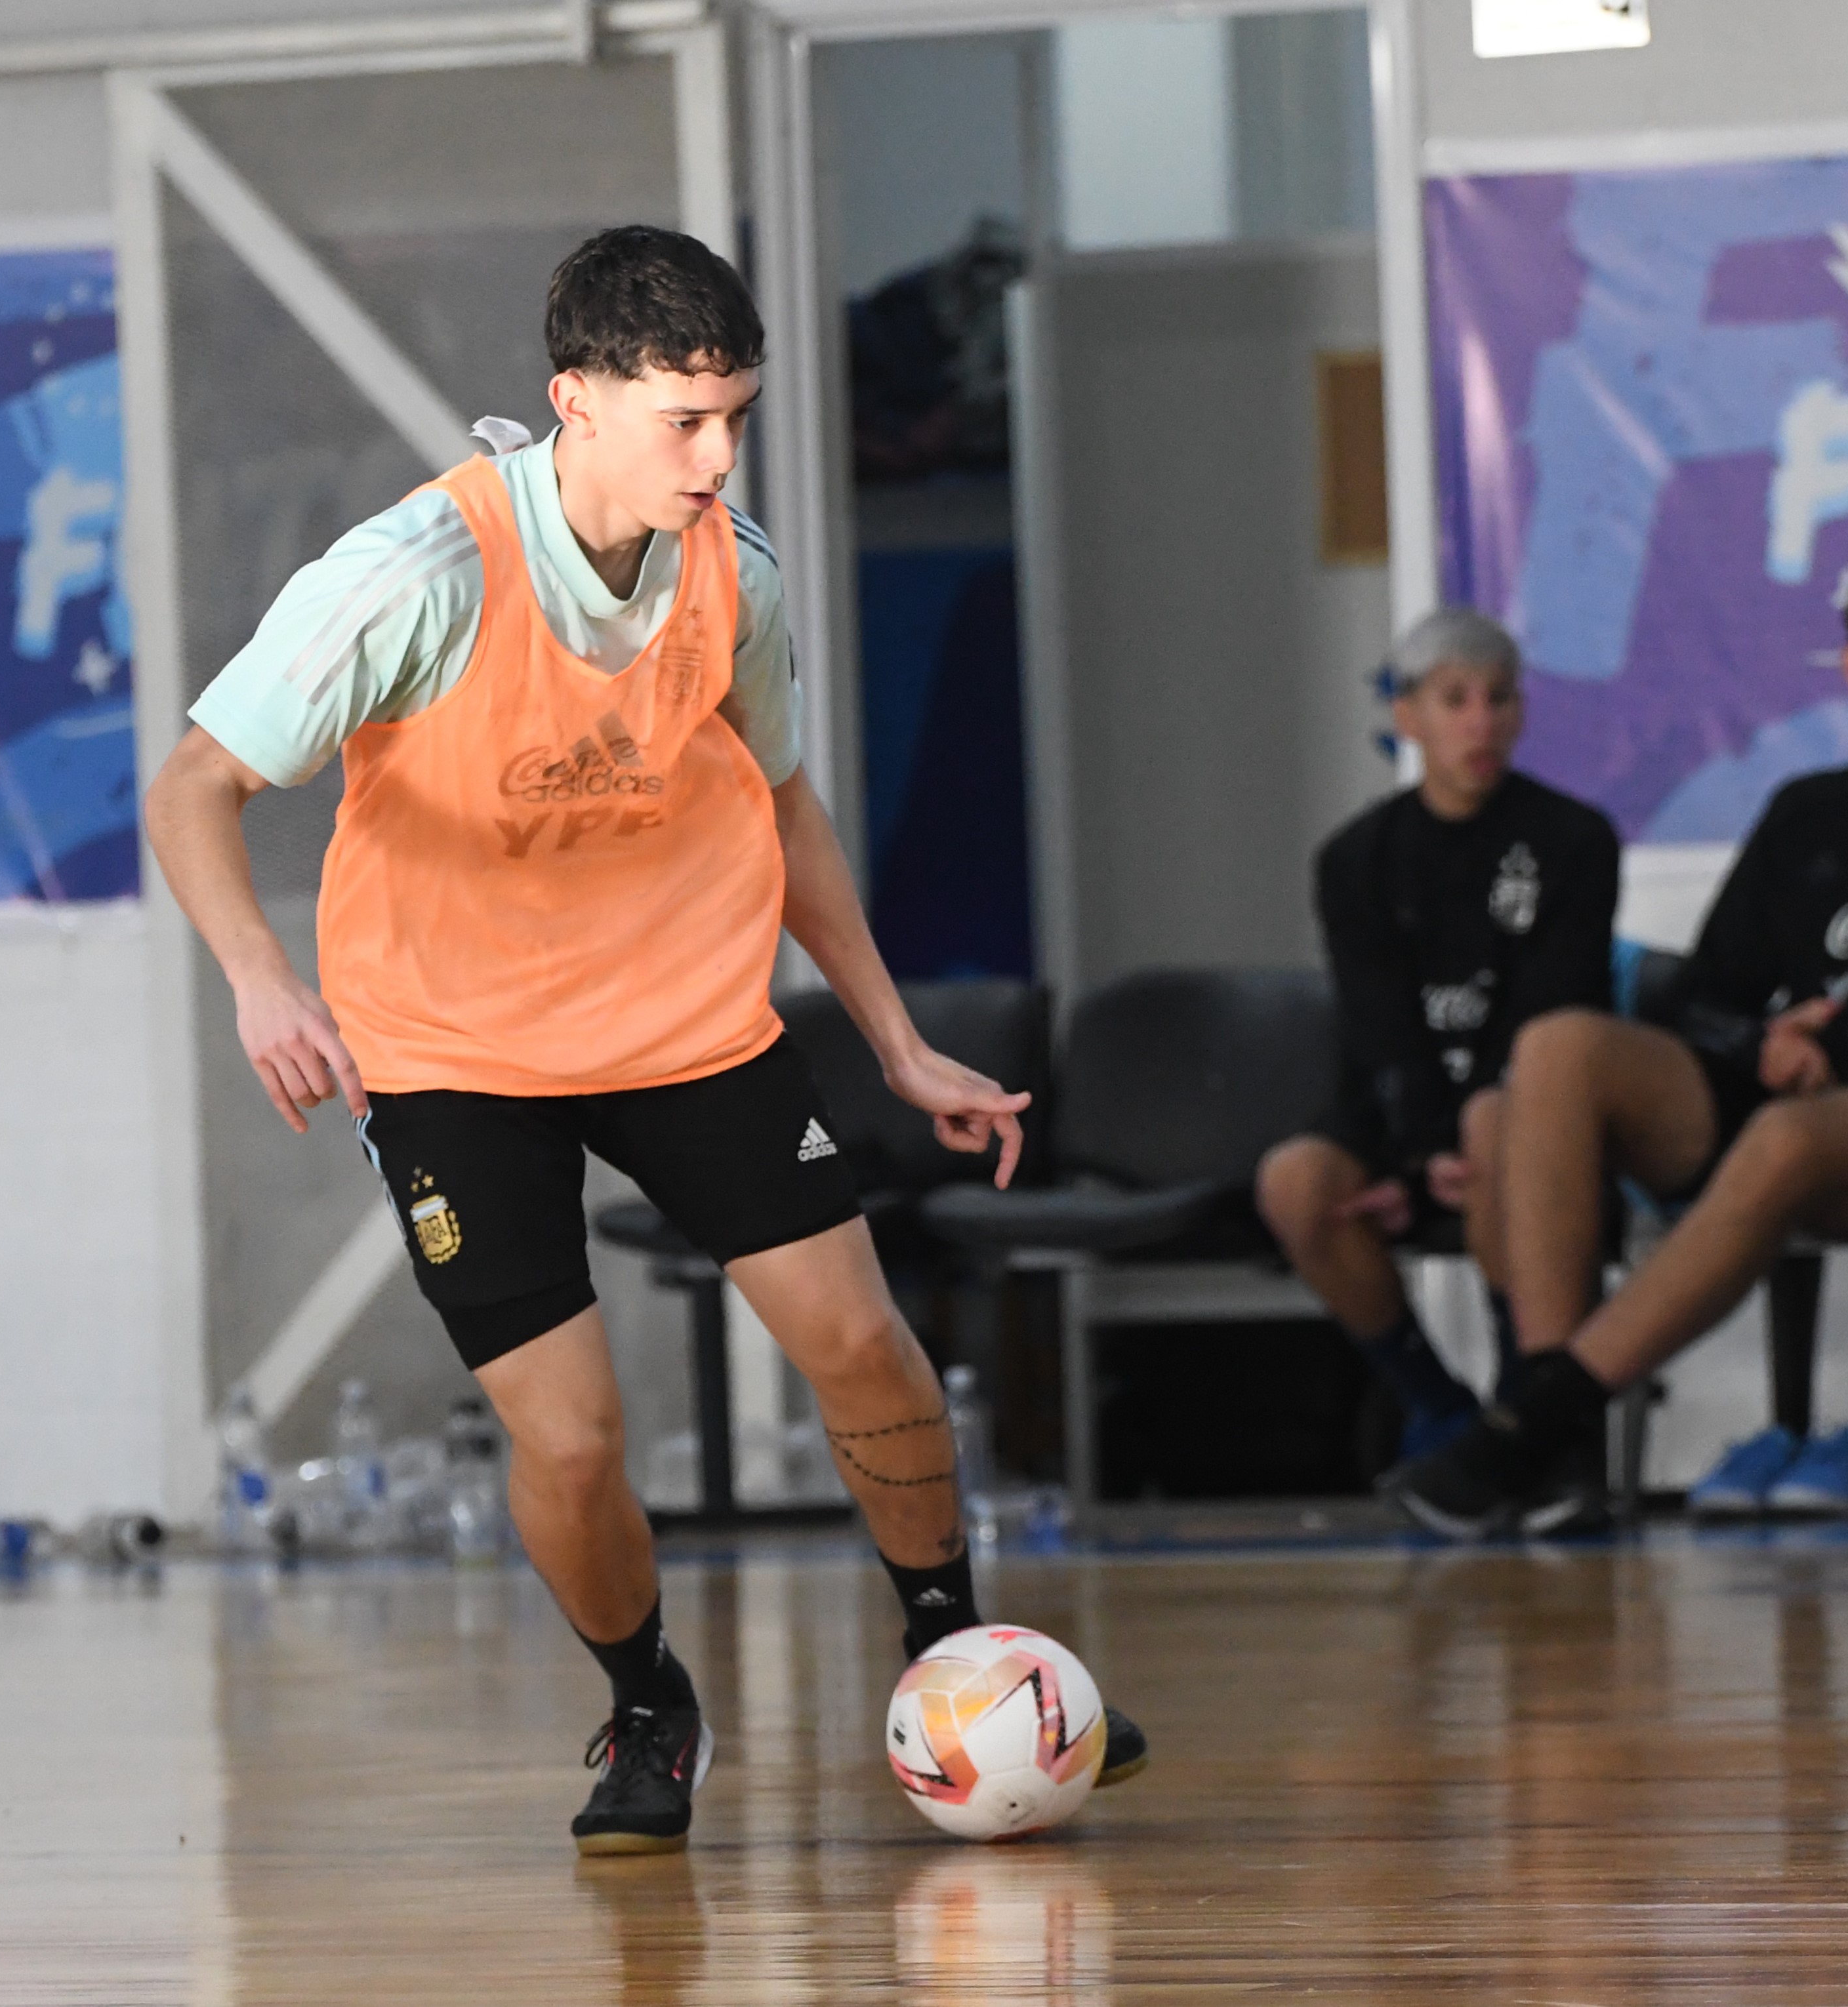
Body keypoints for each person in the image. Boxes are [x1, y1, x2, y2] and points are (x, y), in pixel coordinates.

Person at [139, 226, 1141, 1856]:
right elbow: (194, 785)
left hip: (684, 1021)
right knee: (576, 1436)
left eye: (736, 412)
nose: (720, 453)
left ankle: (955, 1648)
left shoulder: (728, 569)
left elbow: (785, 798)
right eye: (686, 420)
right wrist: (261, 978)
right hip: (454, 1051)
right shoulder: (415, 577)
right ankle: (646, 1698)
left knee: (863, 1344)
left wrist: (891, 1039)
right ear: (572, 404)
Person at [1386, 549, 1848, 1538]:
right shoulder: (1804, 812)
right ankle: (1554, 1438)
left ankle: (1536, 1420)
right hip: (1780, 1087)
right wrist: (1761, 1042)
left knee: (1789, 1141)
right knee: (1559, 1048)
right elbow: (1703, 996)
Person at [1256, 609, 1618, 1461]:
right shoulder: (1356, 858)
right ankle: (1434, 1404)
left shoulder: (1573, 840)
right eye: (1453, 700)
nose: (1478, 721)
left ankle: (1525, 1408)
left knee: (1501, 1124)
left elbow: (1549, 1006)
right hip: (1400, 1111)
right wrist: (1418, 1156)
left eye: (1497, 699)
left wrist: (1458, 1142)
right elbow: (1378, 1021)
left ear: (1521, 714)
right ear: (1406, 716)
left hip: (1518, 1107)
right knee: (1295, 1183)